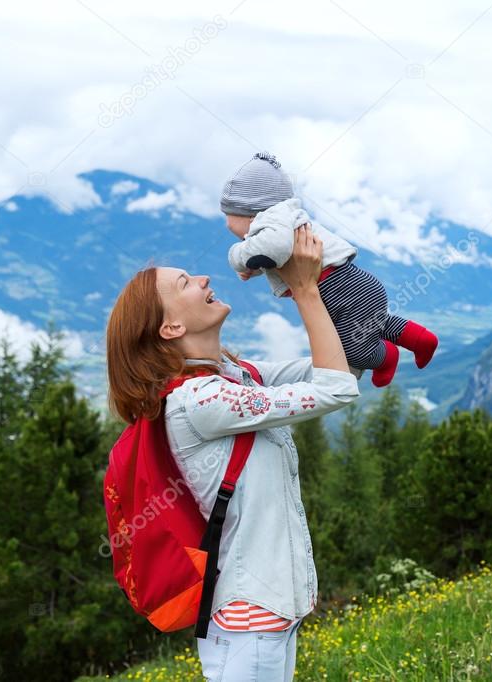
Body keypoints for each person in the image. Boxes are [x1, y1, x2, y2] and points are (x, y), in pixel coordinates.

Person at [105, 225, 360, 680]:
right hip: (249, 617)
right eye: (185, 282)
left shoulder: (236, 375)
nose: (204, 279)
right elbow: (336, 390)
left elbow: (344, 363)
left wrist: (322, 278)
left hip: (267, 612)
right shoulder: (201, 401)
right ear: (171, 327)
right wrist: (303, 291)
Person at [221, 151, 439, 387]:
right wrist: (254, 268)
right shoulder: (282, 220)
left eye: (228, 215)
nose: (226, 224)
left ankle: (386, 355)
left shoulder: (271, 221)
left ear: (251, 213)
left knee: (354, 353)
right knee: (372, 323)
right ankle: (420, 339)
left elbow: (272, 248)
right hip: (354, 287)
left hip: (344, 292)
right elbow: (275, 254)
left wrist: (238, 256)